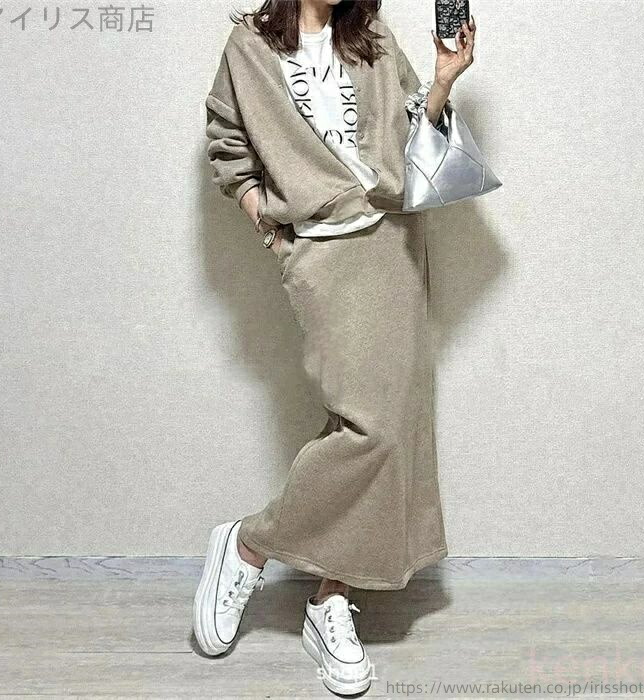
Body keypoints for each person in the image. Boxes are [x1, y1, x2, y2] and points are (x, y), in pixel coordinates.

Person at [194, 0, 475, 694]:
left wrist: (443, 79)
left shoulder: (370, 36)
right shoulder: (249, 48)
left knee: (388, 424)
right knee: (368, 428)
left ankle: (330, 601)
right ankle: (249, 544)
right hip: (320, 253)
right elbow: (228, 145)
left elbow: (413, 133)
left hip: (393, 243)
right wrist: (269, 226)